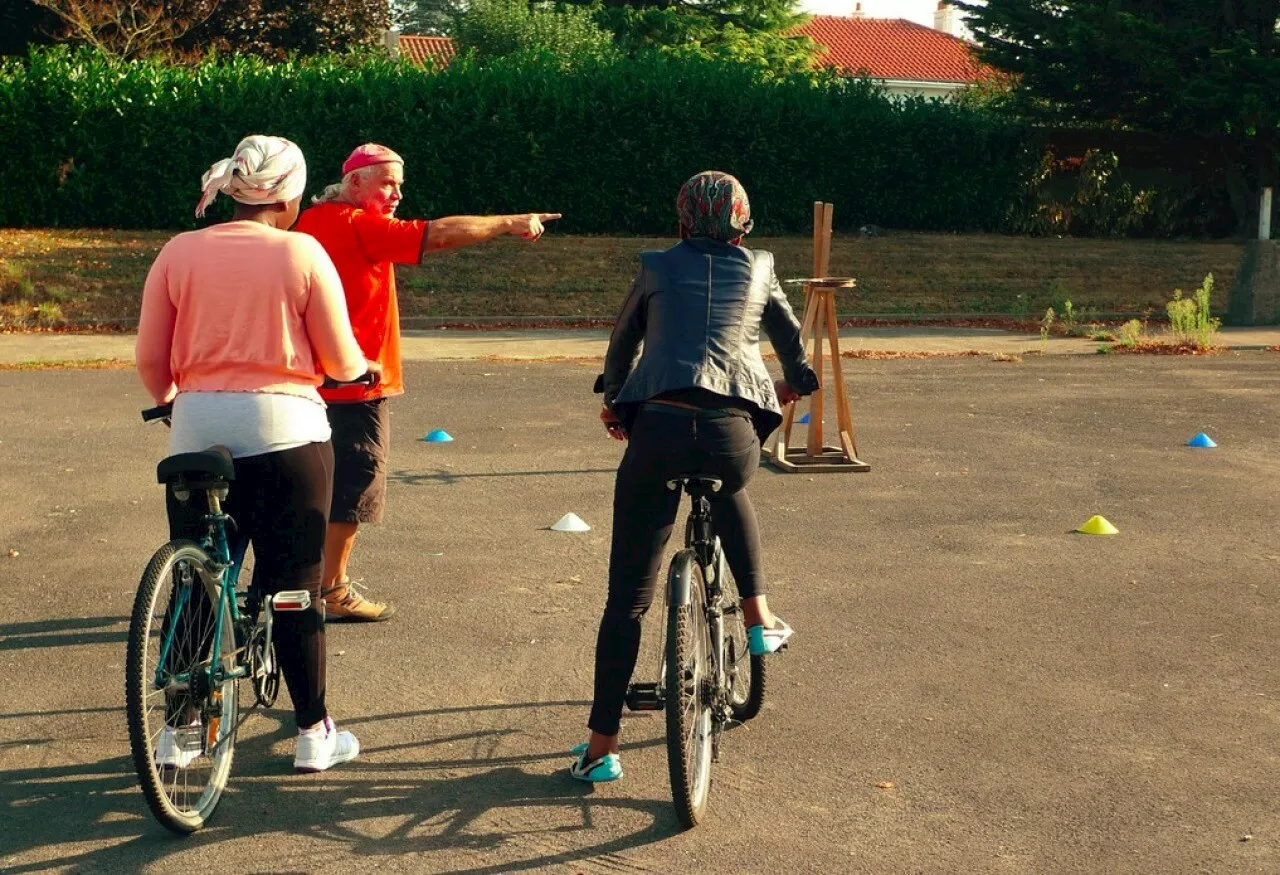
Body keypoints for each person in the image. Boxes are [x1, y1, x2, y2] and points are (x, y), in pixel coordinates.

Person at [573, 171, 820, 782]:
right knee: (730, 486)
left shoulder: (656, 266)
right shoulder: (761, 266)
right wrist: (794, 384)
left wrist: (613, 399)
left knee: (626, 600)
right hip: (731, 435)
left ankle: (602, 749)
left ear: (681, 220)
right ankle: (759, 620)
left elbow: (622, 341)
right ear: (744, 222)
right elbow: (792, 347)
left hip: (656, 429)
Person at [135, 135, 371, 773]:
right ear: (291, 195)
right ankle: (314, 733)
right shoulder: (302, 252)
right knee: (297, 587)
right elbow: (340, 358)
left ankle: (180, 734)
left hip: (196, 428)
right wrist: (356, 369)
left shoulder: (179, 252)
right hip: (283, 431)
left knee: (197, 580)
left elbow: (152, 362)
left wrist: (172, 401)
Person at [293, 143, 561, 622]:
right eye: (388, 183)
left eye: (400, 184)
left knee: (309, 484)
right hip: (356, 383)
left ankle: (296, 584)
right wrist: (508, 222)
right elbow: (435, 235)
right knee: (353, 487)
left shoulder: (314, 221)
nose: (397, 193)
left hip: (310, 380)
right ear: (355, 183)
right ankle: (333, 588)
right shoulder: (359, 224)